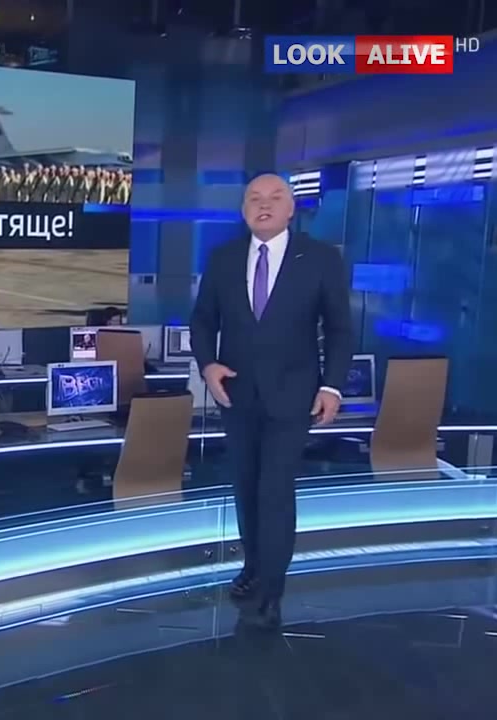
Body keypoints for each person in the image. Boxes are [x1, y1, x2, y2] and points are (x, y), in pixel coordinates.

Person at [190, 173, 353, 630]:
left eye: (275, 197)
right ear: (244, 210)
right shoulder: (223, 259)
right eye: (254, 198)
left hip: (293, 396)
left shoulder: (320, 259)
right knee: (246, 487)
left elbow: (339, 329)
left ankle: (272, 588)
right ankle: (254, 566)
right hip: (236, 394)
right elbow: (202, 320)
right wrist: (208, 364)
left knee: (275, 490)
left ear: (291, 208)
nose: (264, 205)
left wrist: (332, 386)